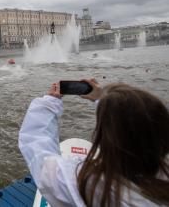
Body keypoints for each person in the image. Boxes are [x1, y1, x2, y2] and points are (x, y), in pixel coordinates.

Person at [19, 79, 169, 206]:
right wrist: (103, 100)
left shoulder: (91, 185)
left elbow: (37, 148)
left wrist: (50, 101)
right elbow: (136, 125)